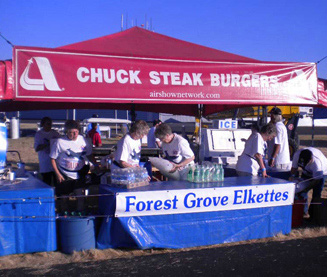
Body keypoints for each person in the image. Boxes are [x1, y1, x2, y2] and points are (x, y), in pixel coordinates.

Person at [50, 120, 100, 211]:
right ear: (66, 132)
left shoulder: (83, 140)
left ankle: (79, 215)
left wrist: (96, 165)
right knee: (64, 198)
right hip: (64, 173)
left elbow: (89, 154)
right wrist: (58, 174)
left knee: (80, 197)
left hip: (79, 173)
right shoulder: (59, 142)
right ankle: (64, 215)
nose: (74, 134)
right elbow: (52, 158)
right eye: (71, 132)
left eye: (76, 132)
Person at [290, 147, 327, 216]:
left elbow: (316, 181)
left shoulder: (317, 164)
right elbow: (294, 168)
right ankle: (304, 212)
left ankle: (313, 214)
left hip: (322, 173)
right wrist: (292, 176)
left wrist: (306, 189)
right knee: (302, 191)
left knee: (316, 192)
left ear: (310, 160)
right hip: (306, 172)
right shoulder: (297, 155)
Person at [34, 117, 61, 185]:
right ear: (43, 124)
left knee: (57, 182)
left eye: (51, 124)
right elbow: (37, 148)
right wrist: (47, 143)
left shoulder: (55, 133)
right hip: (45, 163)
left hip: (55, 162)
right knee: (47, 182)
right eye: (48, 124)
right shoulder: (39, 134)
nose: (50, 126)